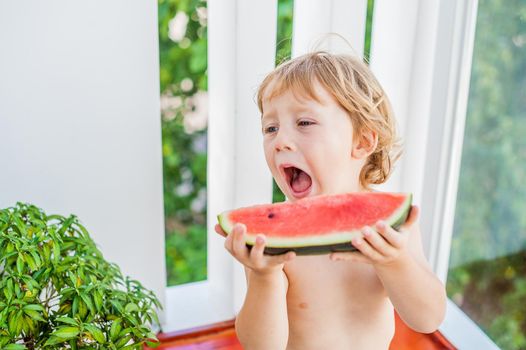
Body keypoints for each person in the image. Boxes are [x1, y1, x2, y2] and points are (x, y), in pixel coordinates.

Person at [215, 51, 446, 350]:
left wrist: (394, 261)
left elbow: (427, 319)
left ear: (362, 142)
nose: (281, 140)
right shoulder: (270, 241)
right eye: (271, 128)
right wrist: (264, 276)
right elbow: (262, 346)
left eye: (305, 122)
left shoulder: (389, 227)